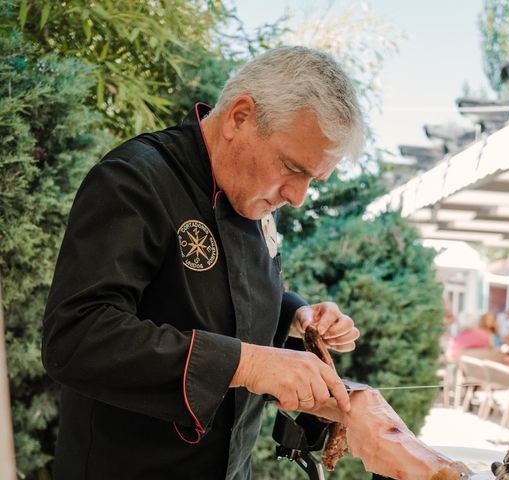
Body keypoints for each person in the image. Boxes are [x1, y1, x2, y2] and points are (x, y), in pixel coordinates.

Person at [42, 46, 364, 480]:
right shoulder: (135, 179)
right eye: (291, 168)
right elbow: (76, 337)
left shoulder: (251, 197)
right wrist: (248, 365)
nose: (297, 196)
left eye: (313, 180)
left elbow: (224, 294)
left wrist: (295, 316)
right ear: (240, 117)